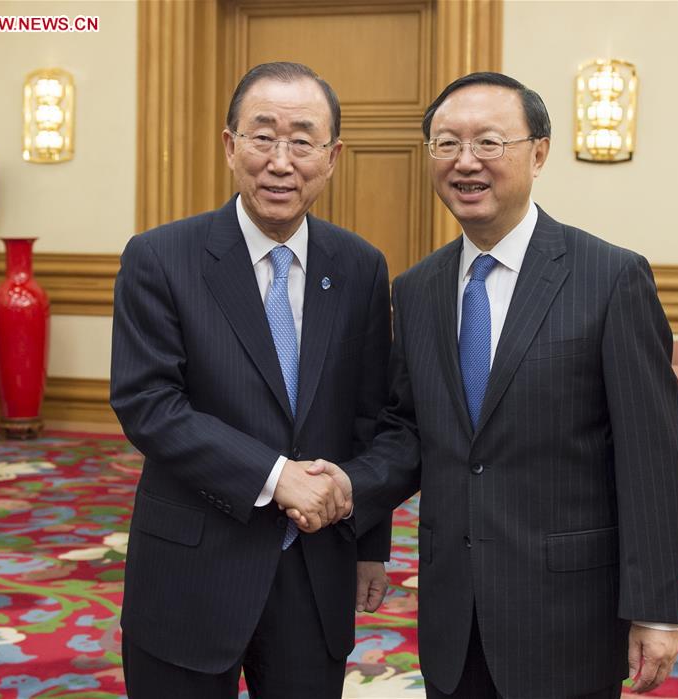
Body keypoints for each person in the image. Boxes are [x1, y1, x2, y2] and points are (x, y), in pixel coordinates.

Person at [295, 72, 678, 698]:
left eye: (488, 142)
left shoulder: (609, 278)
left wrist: (656, 610)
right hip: (453, 611)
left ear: (539, 152)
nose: (465, 161)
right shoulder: (417, 290)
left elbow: (650, 458)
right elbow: (407, 431)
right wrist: (349, 487)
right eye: (447, 144)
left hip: (567, 614)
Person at [110, 62, 392, 699]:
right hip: (190, 568)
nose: (280, 162)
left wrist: (368, 544)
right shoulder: (160, 257)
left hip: (315, 568)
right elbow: (148, 403)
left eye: (303, 141)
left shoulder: (361, 267)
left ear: (332, 157)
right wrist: (274, 475)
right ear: (230, 145)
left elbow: (369, 417)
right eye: (262, 136)